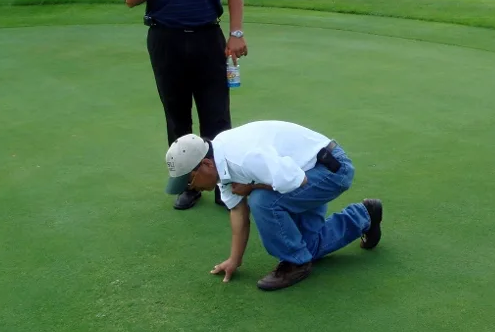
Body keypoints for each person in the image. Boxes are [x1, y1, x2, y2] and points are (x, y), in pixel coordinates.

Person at [121, 0, 250, 211]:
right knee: (177, 117)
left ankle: (222, 183)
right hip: (165, 41)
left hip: (207, 37)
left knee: (216, 116)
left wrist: (236, 33)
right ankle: (189, 184)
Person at [164, 120, 384, 291]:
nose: (191, 187)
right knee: (308, 246)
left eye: (190, 180)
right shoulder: (219, 161)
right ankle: (364, 215)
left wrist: (252, 187)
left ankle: (295, 264)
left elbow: (298, 180)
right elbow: (237, 210)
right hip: (307, 169)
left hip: (331, 170)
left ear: (205, 164)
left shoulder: (244, 157)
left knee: (263, 201)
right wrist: (234, 260)